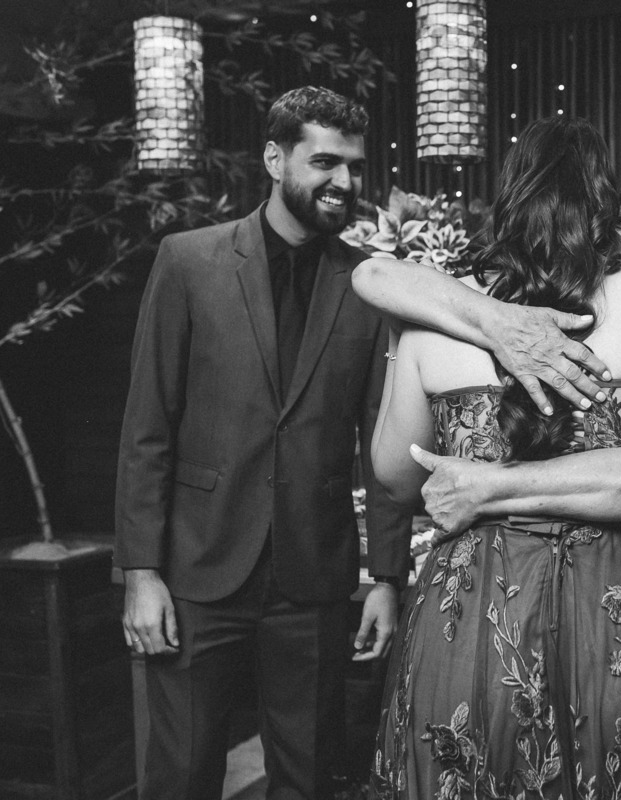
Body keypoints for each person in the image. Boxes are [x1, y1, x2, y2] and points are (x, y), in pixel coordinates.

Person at [365, 115, 621, 799]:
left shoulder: (433, 317)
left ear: (508, 199)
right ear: (602, 209)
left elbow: (396, 477)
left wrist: (410, 340)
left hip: (470, 612)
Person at [114, 86, 410, 800]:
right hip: (195, 570)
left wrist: (387, 577)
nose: (344, 181)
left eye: (355, 166)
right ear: (275, 159)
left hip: (313, 578)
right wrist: (141, 574)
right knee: (180, 777)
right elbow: (147, 427)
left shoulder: (370, 283)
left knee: (307, 780)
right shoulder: (188, 261)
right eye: (325, 162)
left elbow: (382, 440)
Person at [352, 175, 621, 618]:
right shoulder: (540, 340)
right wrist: (490, 320)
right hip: (494, 599)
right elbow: (373, 275)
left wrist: (485, 487)